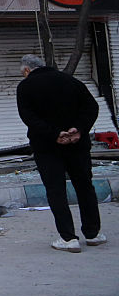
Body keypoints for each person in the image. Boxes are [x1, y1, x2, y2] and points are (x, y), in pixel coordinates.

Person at [16, 54, 105, 253]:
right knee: (84, 186)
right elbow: (91, 107)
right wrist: (79, 129)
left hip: (47, 147)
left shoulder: (26, 86)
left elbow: (28, 117)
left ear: (27, 70)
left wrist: (55, 134)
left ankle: (68, 238)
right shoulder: (71, 81)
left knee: (56, 190)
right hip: (77, 144)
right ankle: (93, 234)